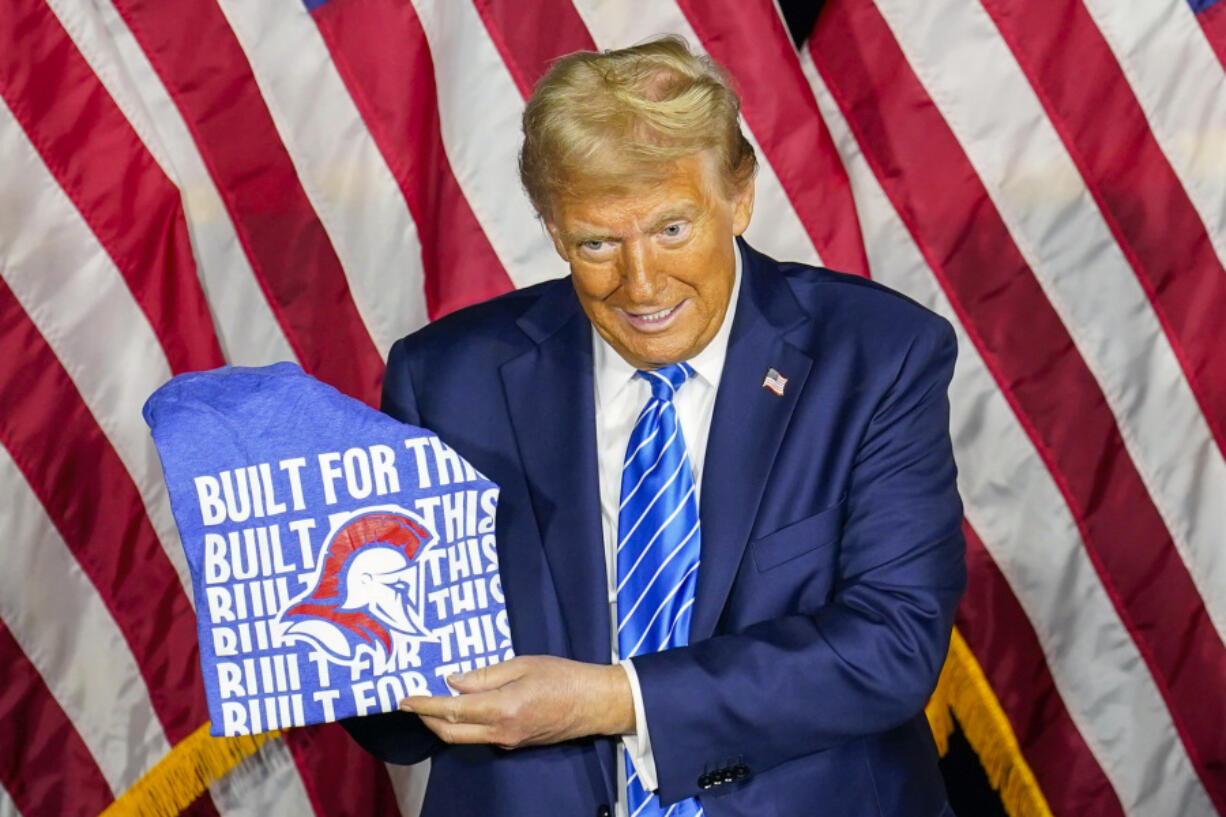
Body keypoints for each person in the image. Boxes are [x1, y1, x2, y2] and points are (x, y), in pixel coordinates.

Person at [342, 36, 965, 817]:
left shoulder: (876, 355)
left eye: (673, 229)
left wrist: (612, 699)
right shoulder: (446, 378)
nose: (641, 284)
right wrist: (316, 608)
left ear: (739, 195)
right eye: (597, 242)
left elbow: (892, 643)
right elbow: (394, 713)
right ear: (550, 226)